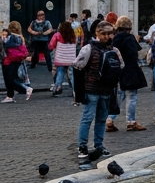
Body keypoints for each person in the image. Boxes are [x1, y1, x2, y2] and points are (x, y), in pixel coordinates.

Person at [73, 21, 120, 158]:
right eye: (104, 34)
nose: (107, 36)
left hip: (106, 91)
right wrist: (79, 93)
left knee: (101, 119)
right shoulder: (88, 49)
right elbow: (77, 68)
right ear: (97, 34)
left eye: (109, 33)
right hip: (91, 90)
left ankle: (99, 146)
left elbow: (120, 67)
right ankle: (82, 146)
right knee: (87, 118)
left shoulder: (114, 50)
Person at [110, 16, 148, 132]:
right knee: (132, 95)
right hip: (129, 69)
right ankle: (130, 121)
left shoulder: (115, 38)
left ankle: (110, 119)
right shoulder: (129, 38)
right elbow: (134, 54)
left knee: (120, 95)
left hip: (117, 69)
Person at [48, 21, 79, 96]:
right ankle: (75, 90)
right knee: (72, 74)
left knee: (60, 71)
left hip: (60, 57)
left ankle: (57, 87)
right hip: (70, 57)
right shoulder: (73, 35)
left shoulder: (57, 35)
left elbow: (51, 45)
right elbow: (76, 43)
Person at [2, 22, 30, 102]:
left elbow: (6, 46)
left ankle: (25, 89)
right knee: (13, 78)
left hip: (10, 60)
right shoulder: (21, 37)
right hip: (17, 60)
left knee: (10, 79)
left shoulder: (12, 37)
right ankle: (10, 95)